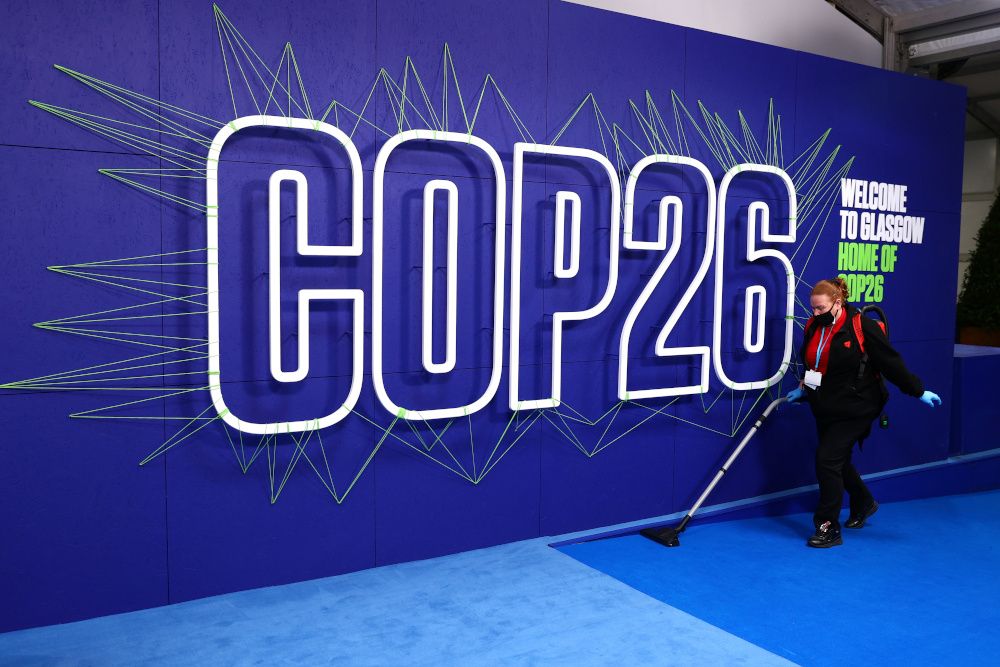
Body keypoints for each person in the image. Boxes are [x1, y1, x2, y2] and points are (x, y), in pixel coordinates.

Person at [784, 278, 941, 548]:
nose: (815, 313)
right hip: (826, 404)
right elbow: (815, 361)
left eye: (821, 308)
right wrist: (806, 388)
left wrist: (917, 391)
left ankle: (827, 527)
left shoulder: (862, 326)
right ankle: (863, 501)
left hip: (859, 405)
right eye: (813, 308)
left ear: (838, 303)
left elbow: (891, 363)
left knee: (826, 459)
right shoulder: (814, 326)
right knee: (837, 460)